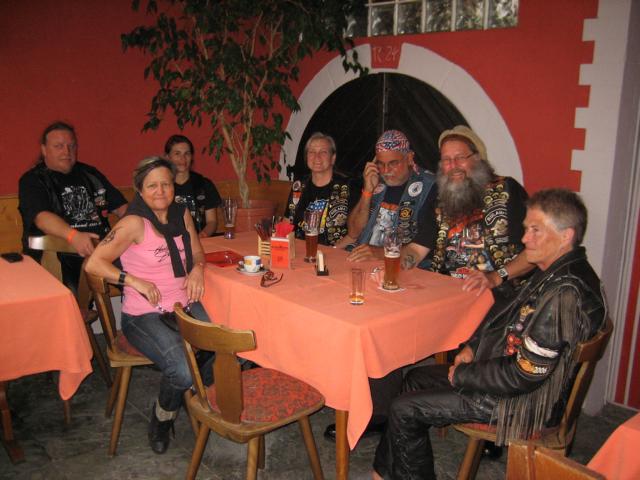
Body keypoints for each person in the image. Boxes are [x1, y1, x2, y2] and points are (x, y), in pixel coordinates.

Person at [372, 188, 606, 480]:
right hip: (514, 380)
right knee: (415, 379)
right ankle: (384, 474)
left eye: (535, 230)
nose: (525, 239)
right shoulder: (555, 270)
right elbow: (505, 315)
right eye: (526, 229)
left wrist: (465, 374)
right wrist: (472, 346)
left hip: (526, 402)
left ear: (565, 236)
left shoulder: (565, 293)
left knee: (404, 408)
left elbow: (524, 374)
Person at [85, 157, 213, 455]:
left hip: (184, 305)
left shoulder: (182, 214)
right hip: (144, 315)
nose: (160, 191)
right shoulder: (133, 223)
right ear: (140, 190)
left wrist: (197, 269)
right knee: (182, 369)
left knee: (225, 345)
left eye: (166, 184)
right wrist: (133, 281)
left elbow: (197, 253)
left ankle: (192, 394)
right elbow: (94, 263)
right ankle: (162, 417)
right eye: (152, 185)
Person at [401, 125, 532, 294]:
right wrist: (395, 268)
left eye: (460, 157)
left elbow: (535, 251)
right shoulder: (440, 201)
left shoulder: (507, 190)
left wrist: (495, 277)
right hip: (448, 291)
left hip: (501, 294)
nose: (453, 165)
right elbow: (416, 250)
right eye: (446, 160)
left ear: (477, 158)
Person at [18, 121, 127, 291]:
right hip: (60, 256)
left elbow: (123, 209)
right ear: (44, 150)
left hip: (103, 251)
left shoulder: (90, 174)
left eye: (71, 146)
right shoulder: (32, 180)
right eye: (59, 146)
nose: (66, 152)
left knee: (147, 271)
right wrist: (74, 236)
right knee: (134, 279)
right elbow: (42, 218)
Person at [347, 129, 438, 264]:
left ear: (409, 158)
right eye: (380, 164)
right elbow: (354, 233)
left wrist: (378, 253)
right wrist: (367, 191)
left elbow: (419, 251)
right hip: (362, 261)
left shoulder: (430, 187)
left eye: (393, 163)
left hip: (403, 268)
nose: (386, 171)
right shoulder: (376, 181)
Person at [284, 132, 358, 246]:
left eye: (323, 152)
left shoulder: (348, 186)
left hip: (337, 251)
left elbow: (355, 234)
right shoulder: (299, 186)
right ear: (307, 157)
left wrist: (332, 251)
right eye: (312, 152)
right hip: (301, 249)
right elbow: (287, 222)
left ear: (333, 158)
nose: (317, 157)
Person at [165, 134, 222, 237]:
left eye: (187, 153)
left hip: (201, 240)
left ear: (191, 157)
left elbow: (212, 221)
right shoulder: (162, 186)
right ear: (168, 157)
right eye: (177, 154)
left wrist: (202, 236)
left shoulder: (204, 184)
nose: (183, 158)